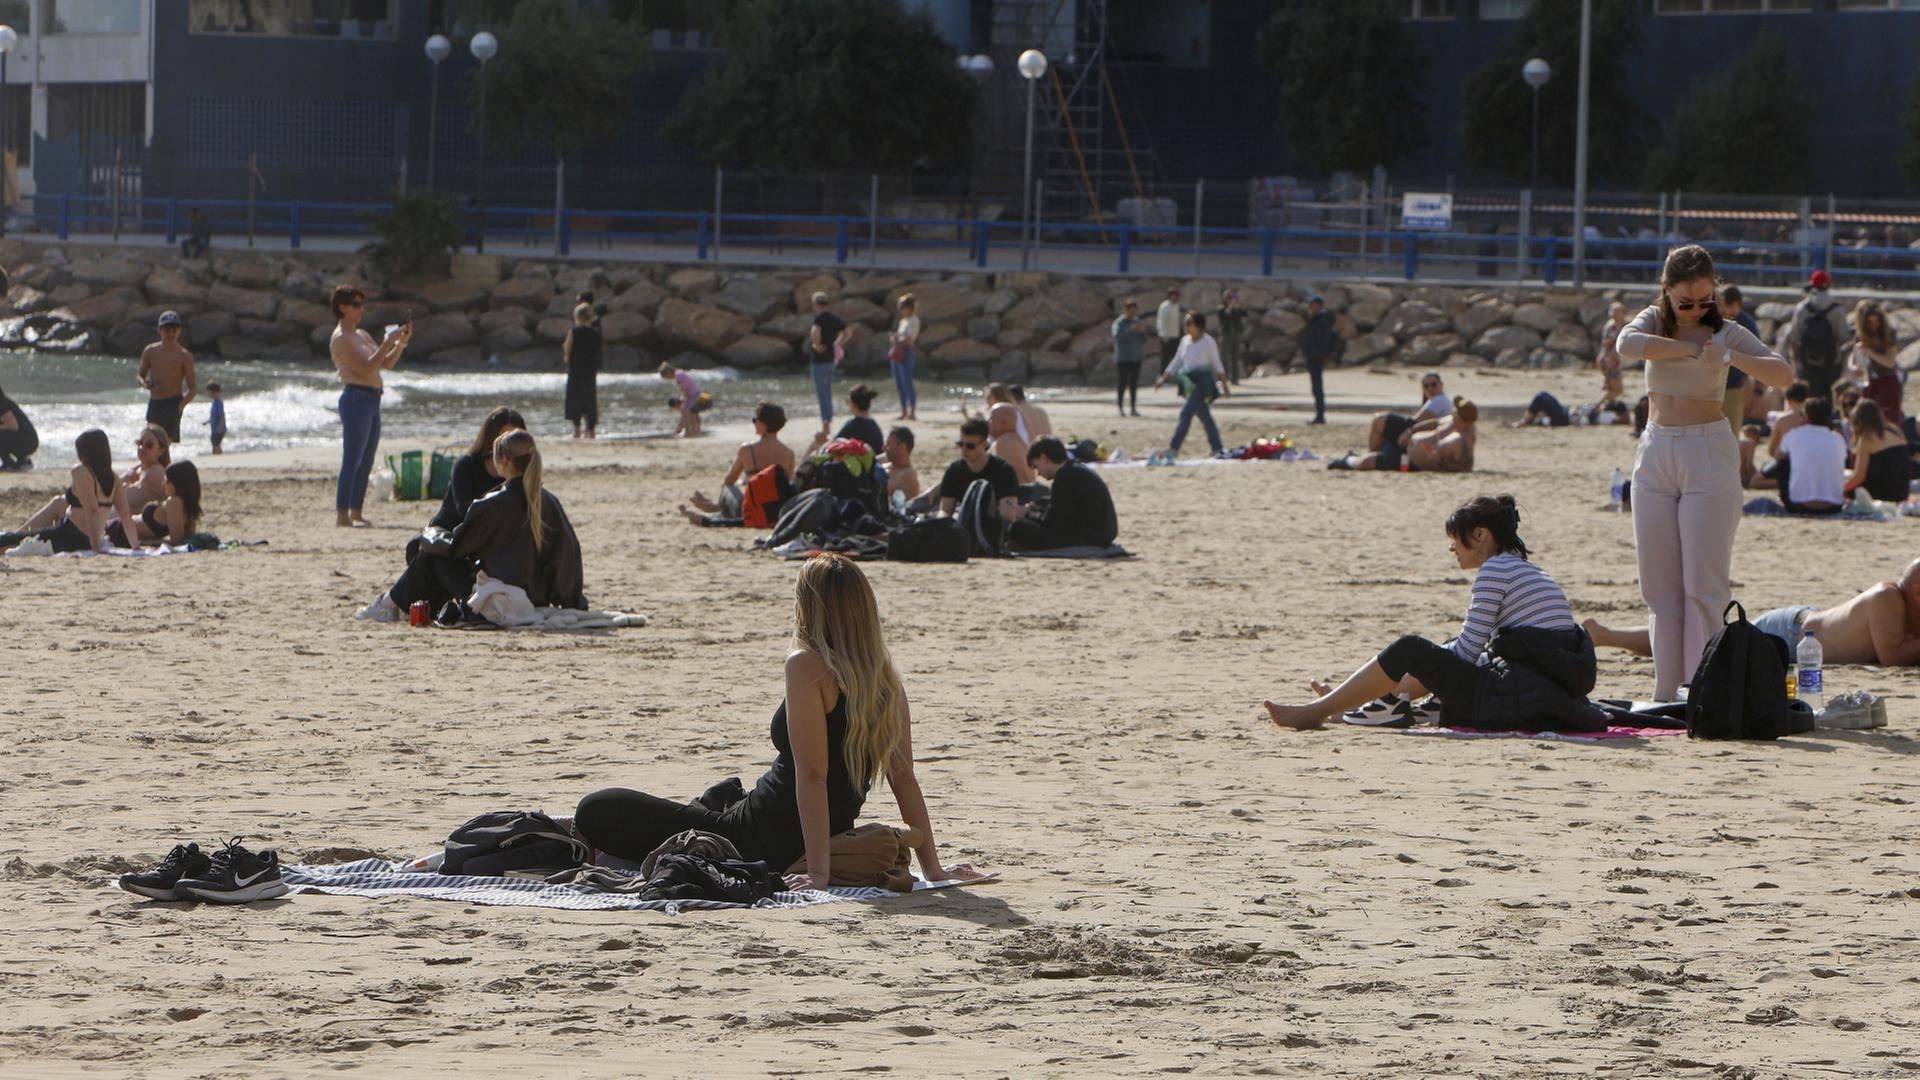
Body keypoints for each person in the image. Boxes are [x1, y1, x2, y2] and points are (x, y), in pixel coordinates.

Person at [572, 554, 982, 890]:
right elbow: (904, 777)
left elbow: (813, 776)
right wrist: (934, 869)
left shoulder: (807, 665)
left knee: (596, 808)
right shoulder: (883, 679)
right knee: (717, 797)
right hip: (811, 831)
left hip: (758, 836)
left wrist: (818, 874)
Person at [1614, 244, 1795, 701]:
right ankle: (1664, 691)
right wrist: (1689, 348)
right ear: (1667, 292)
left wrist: (1729, 357)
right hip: (1656, 448)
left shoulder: (1728, 333)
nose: (1696, 310)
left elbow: (1783, 374)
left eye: (1704, 301)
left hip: (1707, 451)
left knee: (1703, 584)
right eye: (1685, 303)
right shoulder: (1654, 321)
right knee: (1658, 584)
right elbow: (1626, 345)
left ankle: (1705, 689)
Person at [1262, 495, 1582, 731]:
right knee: (1439, 650)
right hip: (1544, 691)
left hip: (1519, 696)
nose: (1452, 548)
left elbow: (1466, 653)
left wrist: (1401, 679)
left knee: (1411, 649)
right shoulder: (1525, 569)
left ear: (1481, 535)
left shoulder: (1496, 570)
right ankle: (1356, 703)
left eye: (1455, 538)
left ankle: (1320, 710)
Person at [359, 430, 584, 621]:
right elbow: (569, 553)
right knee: (435, 557)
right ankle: (397, 604)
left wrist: (426, 537)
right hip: (537, 597)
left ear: (504, 460)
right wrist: (574, 600)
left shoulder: (494, 503)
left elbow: (457, 547)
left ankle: (388, 604)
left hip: (501, 597)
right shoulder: (549, 501)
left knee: (432, 557)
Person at [1587, 558, 1920, 669]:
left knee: (1710, 639)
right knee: (1706, 642)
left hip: (1803, 635)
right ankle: (1604, 634)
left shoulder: (1903, 606)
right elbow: (1893, 656)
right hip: (1792, 635)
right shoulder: (1887, 598)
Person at [330, 284, 412, 528]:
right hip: (356, 398)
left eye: (362, 304)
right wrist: (387, 341)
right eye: (355, 305)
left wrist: (400, 344)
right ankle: (342, 514)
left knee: (366, 460)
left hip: (372, 398)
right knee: (352, 459)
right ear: (342, 307)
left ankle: (356, 511)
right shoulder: (341, 338)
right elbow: (366, 367)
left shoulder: (361, 334)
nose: (360, 309)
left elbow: (384, 364)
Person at [0, 429, 138, 554]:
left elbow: (92, 510)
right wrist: (135, 546)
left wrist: (95, 546)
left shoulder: (81, 471)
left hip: (69, 535)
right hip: (89, 538)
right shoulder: (114, 478)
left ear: (85, 453)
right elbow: (125, 514)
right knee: (17, 539)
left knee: (10, 541)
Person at [684, 402, 796, 524]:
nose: (754, 424)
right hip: (775, 509)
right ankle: (713, 506)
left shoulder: (747, 449)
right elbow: (787, 484)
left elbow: (730, 479)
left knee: (729, 487)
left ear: (762, 423)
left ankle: (715, 507)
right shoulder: (789, 453)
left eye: (755, 420)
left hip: (749, 507)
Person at [427, 407, 528, 534]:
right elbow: (465, 512)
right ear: (491, 437)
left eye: (514, 439)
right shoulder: (466, 465)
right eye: (503, 437)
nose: (508, 446)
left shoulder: (523, 471)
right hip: (452, 534)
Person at [1007, 437, 1118, 552]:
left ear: (1044, 458)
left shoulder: (1065, 476)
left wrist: (1028, 514)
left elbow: (1054, 523)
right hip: (1099, 535)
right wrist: (1039, 510)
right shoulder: (1075, 469)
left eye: (1036, 467)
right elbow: (1067, 511)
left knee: (1017, 528)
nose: (1038, 473)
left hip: (1088, 539)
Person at [1154, 311, 1230, 457]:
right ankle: (1217, 447)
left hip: (1203, 382)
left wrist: (1225, 386)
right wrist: (1163, 378)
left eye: (1189, 323)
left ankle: (1174, 448)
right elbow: (1177, 361)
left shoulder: (1208, 342)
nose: (1186, 326)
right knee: (1204, 415)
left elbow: (1217, 364)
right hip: (1189, 382)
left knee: (1186, 413)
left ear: (1198, 326)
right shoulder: (1185, 341)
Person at [1332, 398, 1478, 473]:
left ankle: (1348, 461)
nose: (1454, 414)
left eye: (1457, 414)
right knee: (1380, 420)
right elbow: (1432, 423)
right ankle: (1358, 456)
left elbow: (1465, 466)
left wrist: (1439, 462)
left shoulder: (1462, 438)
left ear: (1464, 421)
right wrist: (1410, 431)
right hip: (1409, 442)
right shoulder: (1451, 420)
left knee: (1367, 462)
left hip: (1412, 460)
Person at [1773, 396, 1847, 515]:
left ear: (1806, 416)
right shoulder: (1837, 438)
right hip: (1834, 505)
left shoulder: (1794, 435)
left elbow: (1777, 455)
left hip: (1798, 503)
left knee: (1783, 463)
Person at [1785, 269, 1851, 398]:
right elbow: (1844, 337)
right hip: (1831, 361)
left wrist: (1796, 362)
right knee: (1832, 401)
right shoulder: (1837, 308)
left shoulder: (1802, 308)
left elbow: (1793, 337)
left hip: (1808, 362)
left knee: (1811, 402)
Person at [937, 417, 1019, 518]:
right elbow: (946, 509)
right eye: (961, 444)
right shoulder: (954, 470)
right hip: (962, 524)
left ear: (985, 445)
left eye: (970, 446)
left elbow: (1008, 515)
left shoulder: (1004, 471)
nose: (964, 449)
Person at [109, 460, 203, 548]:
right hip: (120, 529)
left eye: (167, 481)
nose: (163, 484)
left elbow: (177, 541)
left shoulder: (174, 502)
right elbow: (185, 538)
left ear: (179, 483)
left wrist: (147, 542)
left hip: (120, 533)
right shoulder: (187, 505)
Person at [138, 310, 198, 444]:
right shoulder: (151, 351)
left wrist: (180, 406)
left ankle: (165, 465)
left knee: (165, 444)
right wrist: (145, 383)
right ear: (159, 331)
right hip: (155, 403)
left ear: (179, 330)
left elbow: (193, 389)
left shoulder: (184, 356)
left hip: (173, 402)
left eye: (174, 329)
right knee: (151, 442)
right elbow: (140, 376)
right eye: (166, 330)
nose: (170, 334)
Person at [1843, 300, 1903, 428]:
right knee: (1868, 422)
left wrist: (1870, 352)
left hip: (1887, 381)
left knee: (1888, 422)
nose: (1874, 325)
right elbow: (1854, 355)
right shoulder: (1861, 335)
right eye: (1870, 322)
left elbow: (1889, 362)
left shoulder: (1889, 334)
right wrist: (1853, 367)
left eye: (1876, 321)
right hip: (1869, 383)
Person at [1844, 399, 1911, 504]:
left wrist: (1840, 490)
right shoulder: (1895, 430)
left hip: (1880, 493)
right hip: (1901, 492)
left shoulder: (1867, 437)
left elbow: (1859, 477)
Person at [1367, 372, 1454, 451]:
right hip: (1424, 430)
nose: (1430, 388)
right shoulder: (1438, 400)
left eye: (1433, 384)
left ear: (1441, 385)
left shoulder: (1439, 400)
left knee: (1378, 419)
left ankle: (1371, 451)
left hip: (1419, 428)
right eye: (1426, 386)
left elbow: (1417, 420)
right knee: (1385, 429)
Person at [1718, 287, 1760, 434]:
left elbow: (1757, 359)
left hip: (1734, 385)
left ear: (1736, 304)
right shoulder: (1717, 319)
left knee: (1731, 432)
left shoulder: (1747, 324)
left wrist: (1755, 392)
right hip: (1712, 384)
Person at [807, 291, 849, 430]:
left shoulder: (819, 319)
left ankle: (826, 422)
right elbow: (848, 331)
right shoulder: (834, 318)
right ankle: (829, 419)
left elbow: (815, 332)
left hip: (819, 360)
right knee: (828, 391)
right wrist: (838, 343)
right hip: (831, 359)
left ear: (816, 304)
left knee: (821, 392)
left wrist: (816, 345)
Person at [809, 384, 883, 457]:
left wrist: (822, 441)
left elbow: (833, 444)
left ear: (854, 405)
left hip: (853, 464)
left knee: (815, 444)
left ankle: (800, 469)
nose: (847, 403)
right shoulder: (874, 425)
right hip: (870, 462)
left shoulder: (853, 425)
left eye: (848, 401)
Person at [563, 302, 603, 439]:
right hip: (590, 369)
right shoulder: (596, 332)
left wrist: (567, 359)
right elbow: (598, 351)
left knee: (575, 398)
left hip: (576, 369)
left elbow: (568, 349)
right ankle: (591, 430)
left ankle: (577, 430)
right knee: (590, 398)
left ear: (577, 317)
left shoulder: (573, 331)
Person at [1299, 294, 1337, 424]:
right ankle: (1319, 414)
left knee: (1317, 387)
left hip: (1316, 357)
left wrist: (1315, 353)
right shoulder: (1316, 319)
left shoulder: (1323, 320)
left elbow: (1323, 340)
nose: (1310, 307)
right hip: (1312, 356)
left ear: (1319, 306)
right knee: (1315, 387)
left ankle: (1320, 415)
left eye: (1313, 305)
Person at [120, 423, 172, 511]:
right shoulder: (137, 468)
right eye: (140, 443)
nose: (142, 448)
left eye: (149, 445)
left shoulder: (155, 472)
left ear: (161, 450)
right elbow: (112, 485)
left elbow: (172, 502)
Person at [1111, 299, 1148, 417]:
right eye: (1131, 311)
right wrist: (1129, 330)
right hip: (1123, 357)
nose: (1133, 314)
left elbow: (1144, 340)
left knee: (1134, 383)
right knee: (1122, 382)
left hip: (1136, 357)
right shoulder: (1119, 323)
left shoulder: (1138, 322)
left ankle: (1133, 408)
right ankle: (1120, 407)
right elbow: (1117, 337)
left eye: (1135, 311)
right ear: (1126, 311)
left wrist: (1142, 332)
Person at [889, 294, 920, 421]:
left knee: (907, 382)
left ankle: (912, 412)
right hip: (898, 352)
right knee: (899, 384)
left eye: (902, 307)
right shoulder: (903, 321)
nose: (900, 309)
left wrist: (898, 338)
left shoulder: (914, 320)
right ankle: (903, 411)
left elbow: (910, 339)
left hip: (906, 352)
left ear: (909, 307)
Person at [661, 363, 709, 438]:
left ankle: (688, 431)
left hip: (693, 394)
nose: (668, 379)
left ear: (668, 373)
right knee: (693, 412)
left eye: (666, 377)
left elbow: (685, 389)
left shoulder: (678, 376)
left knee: (685, 411)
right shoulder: (680, 373)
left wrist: (683, 398)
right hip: (696, 392)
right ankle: (696, 430)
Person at [1596, 301, 1630, 407]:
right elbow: (1606, 343)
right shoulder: (1612, 326)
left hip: (1613, 360)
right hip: (1609, 361)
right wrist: (1617, 335)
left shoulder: (1621, 325)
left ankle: (1605, 407)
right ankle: (1597, 406)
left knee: (1610, 388)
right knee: (1618, 389)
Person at [0, 382, 39, 471]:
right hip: (24, 439)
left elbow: (13, 426)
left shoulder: (2, 403)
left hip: (28, 441)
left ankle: (14, 462)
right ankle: (14, 462)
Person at [1215, 288, 1248, 385]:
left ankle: (1235, 378)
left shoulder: (1236, 308)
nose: (1230, 299)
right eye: (1228, 297)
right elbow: (1224, 314)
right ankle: (1223, 378)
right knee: (1224, 358)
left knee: (1235, 357)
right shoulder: (1221, 308)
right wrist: (1230, 306)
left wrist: (1239, 305)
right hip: (1226, 335)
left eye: (1231, 297)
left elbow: (1245, 314)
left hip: (1235, 335)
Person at [882, 426, 920, 504]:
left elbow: (909, 508)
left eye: (888, 444)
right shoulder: (888, 466)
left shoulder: (907, 475)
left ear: (902, 447)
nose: (884, 448)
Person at [1155, 287, 1183, 375]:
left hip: (1175, 335)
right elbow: (1161, 322)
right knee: (1165, 358)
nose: (1176, 298)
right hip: (1166, 337)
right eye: (1174, 296)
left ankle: (1176, 376)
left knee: (1176, 358)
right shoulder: (1165, 306)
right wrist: (1163, 335)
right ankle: (1163, 377)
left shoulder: (1177, 306)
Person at [205, 381, 227, 455]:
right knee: (214, 443)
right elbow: (214, 416)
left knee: (216, 444)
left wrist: (221, 426)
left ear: (214, 392)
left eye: (209, 392)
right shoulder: (215, 402)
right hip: (214, 429)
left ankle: (219, 455)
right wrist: (207, 422)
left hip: (218, 429)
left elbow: (221, 415)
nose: (208, 394)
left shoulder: (218, 402)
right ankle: (216, 455)